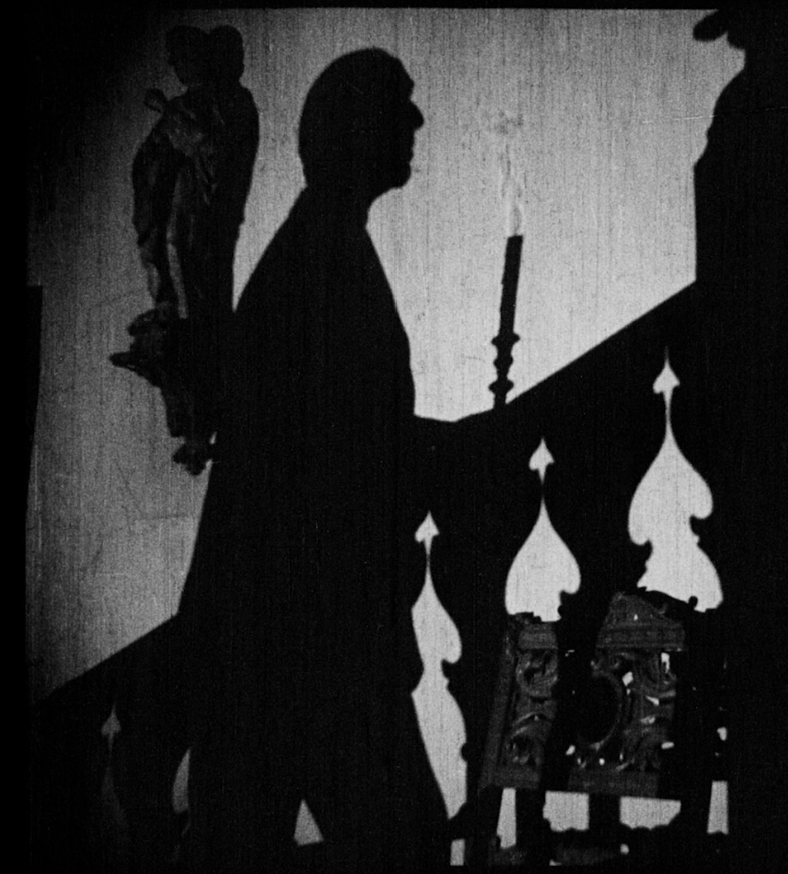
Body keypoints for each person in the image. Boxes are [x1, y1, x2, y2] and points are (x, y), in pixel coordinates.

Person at [178, 49, 451, 872]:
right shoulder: (320, 260)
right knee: (404, 841)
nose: (416, 121)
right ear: (352, 127)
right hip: (308, 637)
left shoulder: (321, 249)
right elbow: (331, 453)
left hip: (285, 635)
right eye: (399, 105)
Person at [114, 25, 259, 474]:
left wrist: (166, 110)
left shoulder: (232, 101)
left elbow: (211, 151)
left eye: (181, 58)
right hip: (176, 197)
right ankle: (170, 309)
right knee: (164, 244)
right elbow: (152, 159)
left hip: (202, 205)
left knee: (183, 249)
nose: (175, 67)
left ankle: (186, 326)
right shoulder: (195, 103)